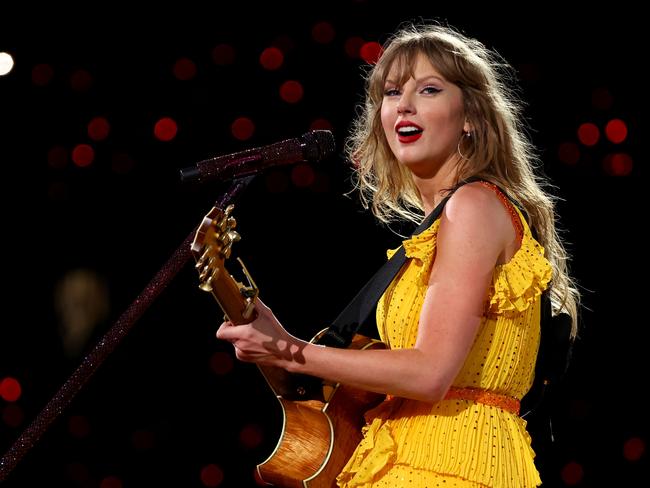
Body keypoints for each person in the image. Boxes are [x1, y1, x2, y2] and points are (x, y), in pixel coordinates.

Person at [216, 22, 580, 488]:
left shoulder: (474, 206)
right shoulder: (433, 237)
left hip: (453, 463)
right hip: (403, 458)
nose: (404, 104)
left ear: (470, 116)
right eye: (391, 92)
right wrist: (280, 344)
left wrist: (291, 352)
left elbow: (430, 372)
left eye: (429, 89)